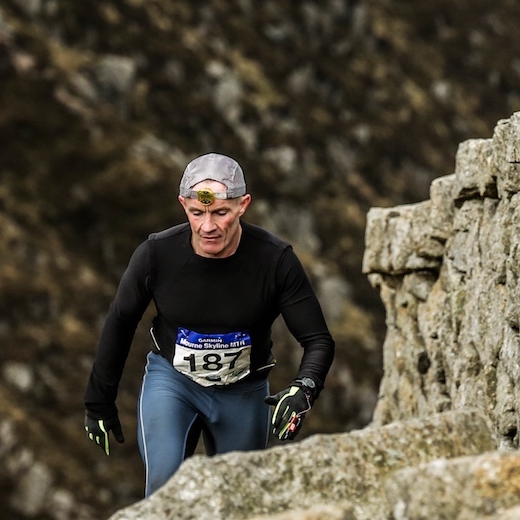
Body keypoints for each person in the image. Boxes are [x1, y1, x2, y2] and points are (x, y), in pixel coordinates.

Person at [83, 153, 334, 496]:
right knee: (164, 489)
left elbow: (318, 339)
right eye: (197, 212)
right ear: (183, 205)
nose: (207, 227)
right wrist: (98, 402)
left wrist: (303, 388)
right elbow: (120, 322)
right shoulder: (156, 255)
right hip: (173, 384)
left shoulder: (275, 260)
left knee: (239, 500)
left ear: (243, 205)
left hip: (243, 391)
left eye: (220, 212)